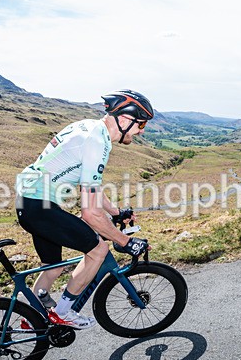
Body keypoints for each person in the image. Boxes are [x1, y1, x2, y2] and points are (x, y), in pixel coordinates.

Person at [15, 89, 152, 329]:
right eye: (141, 124)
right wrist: (125, 241)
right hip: (39, 205)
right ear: (124, 118)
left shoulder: (89, 128)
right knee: (98, 251)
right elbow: (89, 213)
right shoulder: (97, 141)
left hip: (31, 202)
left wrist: (116, 212)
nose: (142, 131)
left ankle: (30, 318)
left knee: (53, 266)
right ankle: (63, 313)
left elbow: (91, 188)